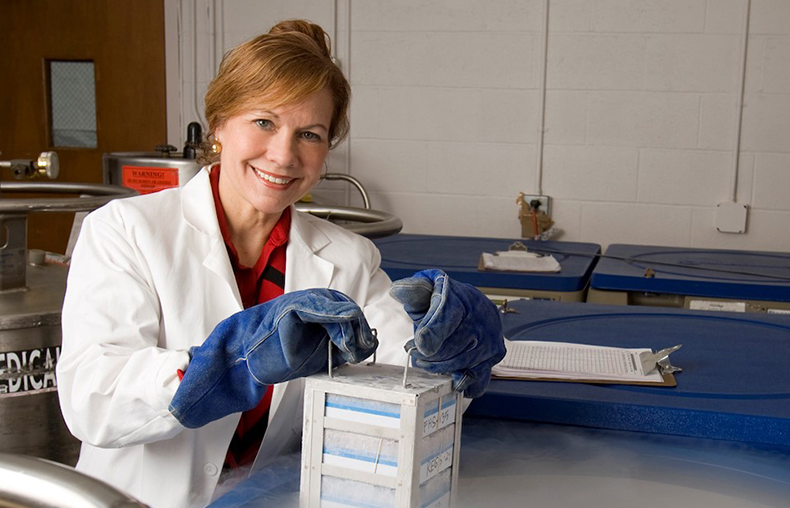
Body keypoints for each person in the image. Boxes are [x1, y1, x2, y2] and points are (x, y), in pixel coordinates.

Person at [57, 19, 504, 508]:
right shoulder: (126, 230)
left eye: (309, 134)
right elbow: (91, 400)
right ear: (220, 125)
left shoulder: (346, 258)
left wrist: (447, 358)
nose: (283, 155)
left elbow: (406, 381)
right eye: (264, 122)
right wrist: (224, 366)